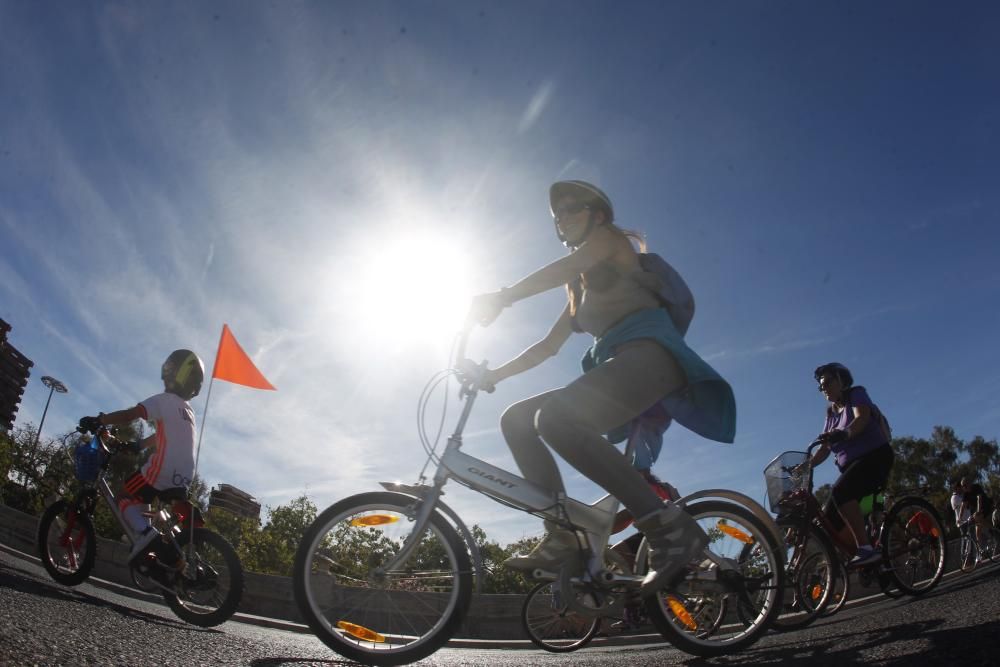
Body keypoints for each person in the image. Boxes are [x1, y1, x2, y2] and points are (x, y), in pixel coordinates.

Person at [469, 180, 736, 594]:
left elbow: (560, 268)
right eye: (559, 214)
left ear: (598, 216)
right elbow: (547, 346)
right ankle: (563, 535)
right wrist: (493, 377)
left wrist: (502, 297)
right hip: (619, 368)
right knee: (517, 419)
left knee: (556, 420)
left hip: (652, 357)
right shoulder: (577, 287)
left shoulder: (608, 241)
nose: (565, 217)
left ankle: (669, 531)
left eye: (573, 208)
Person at [78, 349, 204, 570]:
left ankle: (147, 535)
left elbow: (129, 416)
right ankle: (162, 549)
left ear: (172, 372)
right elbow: (161, 436)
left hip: (163, 468)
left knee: (123, 496)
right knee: (144, 499)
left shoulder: (163, 400)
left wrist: (100, 419)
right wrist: (138, 445)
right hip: (184, 475)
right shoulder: (188, 411)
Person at [809, 363, 894, 566]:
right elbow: (825, 448)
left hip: (875, 457)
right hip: (852, 468)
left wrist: (845, 432)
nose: (824, 389)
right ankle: (861, 555)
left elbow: (861, 417)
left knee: (840, 491)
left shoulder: (855, 394)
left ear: (841, 380)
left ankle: (865, 549)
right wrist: (805, 467)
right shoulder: (830, 413)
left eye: (827, 382)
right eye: (821, 387)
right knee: (827, 519)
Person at [959, 477, 994, 552]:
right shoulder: (966, 494)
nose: (964, 487)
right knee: (977, 531)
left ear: (969, 484)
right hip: (979, 511)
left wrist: (978, 511)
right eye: (963, 486)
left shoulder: (976, 487)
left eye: (965, 485)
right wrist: (959, 518)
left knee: (977, 518)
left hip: (986, 507)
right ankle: (981, 550)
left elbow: (979, 499)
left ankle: (992, 530)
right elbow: (962, 506)